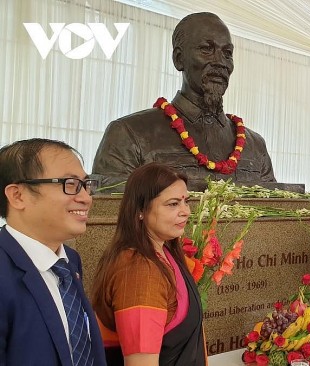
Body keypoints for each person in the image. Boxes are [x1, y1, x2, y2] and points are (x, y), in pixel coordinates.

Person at [93, 12, 275, 192]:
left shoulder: (254, 145)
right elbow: (110, 213)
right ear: (179, 59)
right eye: (207, 49)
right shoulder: (129, 134)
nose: (221, 62)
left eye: (227, 53)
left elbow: (279, 214)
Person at [0, 138, 107, 365]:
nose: (86, 198)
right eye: (70, 184)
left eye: (86, 185)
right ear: (18, 196)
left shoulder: (69, 262)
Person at [92, 163, 206, 365]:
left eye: (186, 202)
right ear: (140, 210)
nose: (186, 211)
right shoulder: (139, 271)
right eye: (173, 204)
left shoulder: (164, 252)